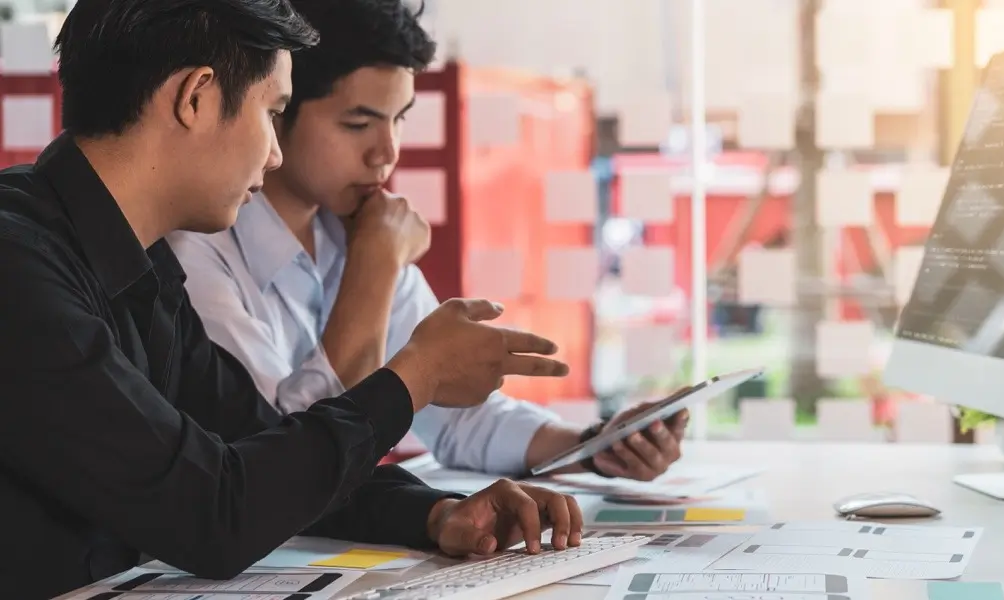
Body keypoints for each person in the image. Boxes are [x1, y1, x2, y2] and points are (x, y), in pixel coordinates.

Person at [0, 2, 583, 598]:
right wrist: (417, 375)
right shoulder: (17, 267)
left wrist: (435, 514)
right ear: (196, 97)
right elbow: (213, 514)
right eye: (272, 112)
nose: (274, 154)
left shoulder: (140, 263)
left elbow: (263, 452)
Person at [169, 0, 690, 482]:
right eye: (358, 124)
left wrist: (596, 444)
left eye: (398, 120)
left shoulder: (359, 229)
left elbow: (457, 419)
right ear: (276, 109)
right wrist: (373, 267)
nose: (386, 154)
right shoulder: (198, 251)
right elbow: (290, 457)